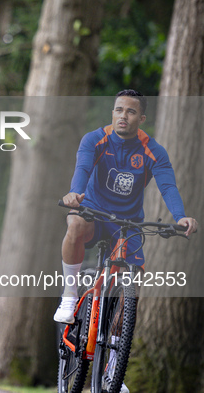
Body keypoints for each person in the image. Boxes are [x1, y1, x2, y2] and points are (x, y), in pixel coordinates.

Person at [53, 90, 198, 392]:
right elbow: (81, 170)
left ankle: (111, 371)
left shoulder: (153, 150)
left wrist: (181, 216)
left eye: (131, 112)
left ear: (141, 118)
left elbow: (167, 185)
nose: (123, 116)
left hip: (127, 225)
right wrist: (75, 194)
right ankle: (70, 295)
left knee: (128, 290)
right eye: (119, 110)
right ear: (112, 112)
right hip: (92, 211)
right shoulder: (95, 140)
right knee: (75, 224)